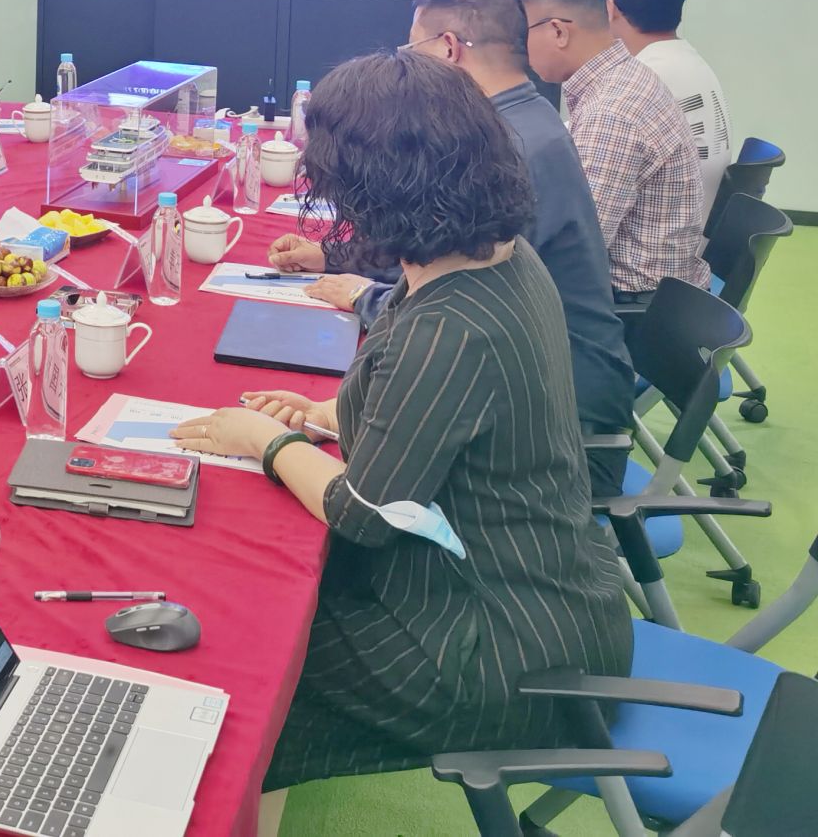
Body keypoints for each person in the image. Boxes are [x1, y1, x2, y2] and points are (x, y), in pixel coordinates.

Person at [169, 52, 631, 799]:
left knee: (240, 657)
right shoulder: (501, 261)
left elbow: (364, 511)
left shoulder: (447, 326)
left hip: (498, 652)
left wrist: (266, 440)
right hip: (552, 602)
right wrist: (330, 414)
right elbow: (452, 419)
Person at [273, 0, 635, 493]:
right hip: (541, 385)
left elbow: (460, 303)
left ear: (448, 48)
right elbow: (439, 249)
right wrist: (339, 260)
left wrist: (363, 299)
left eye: (411, 49)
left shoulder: (502, 148)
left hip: (553, 426)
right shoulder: (521, 119)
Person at [512, 0, 708, 305]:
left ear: (558, 32)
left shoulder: (611, 113)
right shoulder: (624, 78)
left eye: (519, 34)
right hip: (654, 295)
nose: (517, 49)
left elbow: (576, 250)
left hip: (632, 308)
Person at [601, 0, 733, 212]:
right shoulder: (691, 63)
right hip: (693, 222)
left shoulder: (640, 82)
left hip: (659, 232)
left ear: (610, 8)